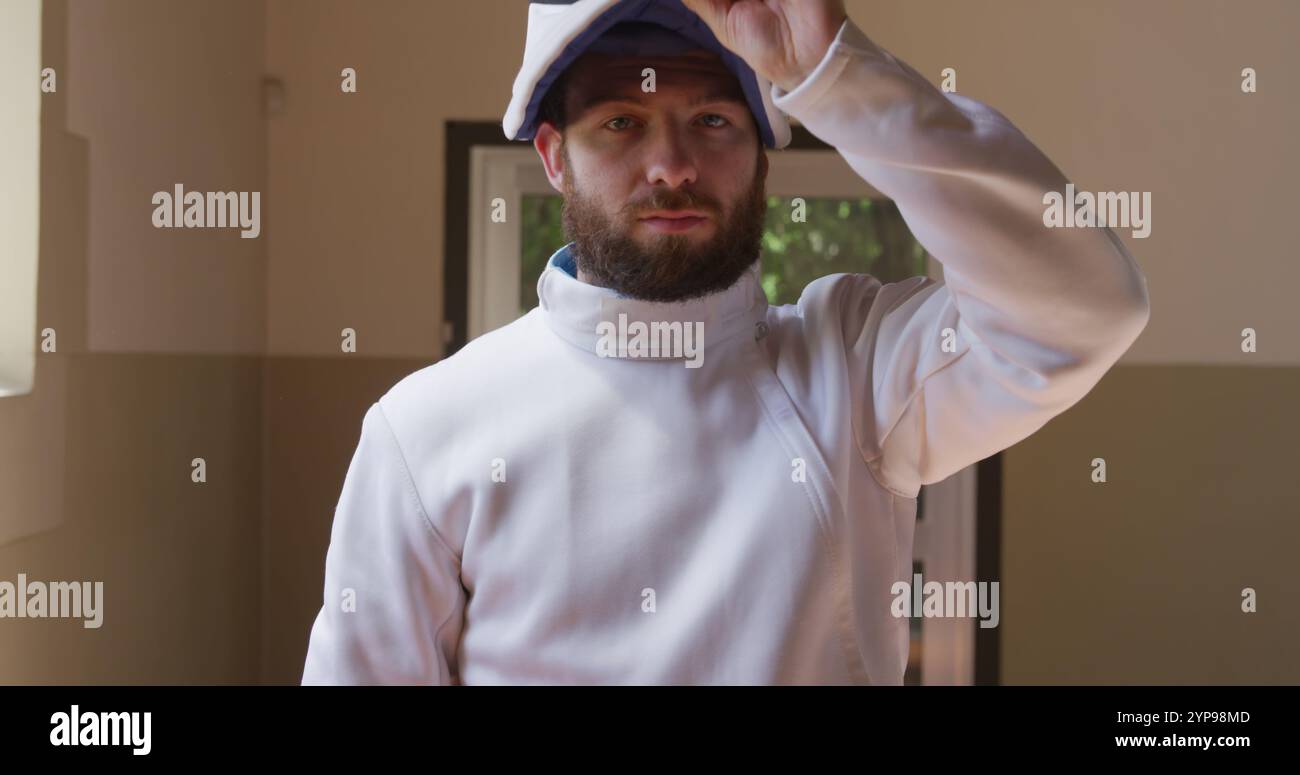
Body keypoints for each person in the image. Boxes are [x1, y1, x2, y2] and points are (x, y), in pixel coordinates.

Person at [302, 0, 1150, 685]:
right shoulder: (423, 431)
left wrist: (835, 74)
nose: (671, 165)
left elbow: (1085, 310)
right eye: (622, 123)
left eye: (711, 118)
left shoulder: (851, 369)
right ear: (555, 158)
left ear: (764, 154)